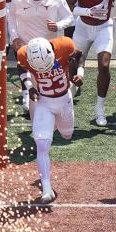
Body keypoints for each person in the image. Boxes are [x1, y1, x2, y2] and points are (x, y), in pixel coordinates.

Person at [18, 36, 79, 204]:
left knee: (67, 135)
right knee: (42, 144)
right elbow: (21, 67)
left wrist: (76, 73)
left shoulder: (65, 45)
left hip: (64, 100)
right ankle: (46, 188)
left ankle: (49, 128)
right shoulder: (23, 54)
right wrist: (30, 87)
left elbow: (77, 57)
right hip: (44, 102)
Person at [7, 0, 73, 113]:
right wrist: (14, 37)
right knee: (23, 65)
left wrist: (58, 26)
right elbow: (10, 18)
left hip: (47, 46)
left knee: (44, 77)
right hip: (25, 43)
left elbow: (69, 17)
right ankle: (26, 93)